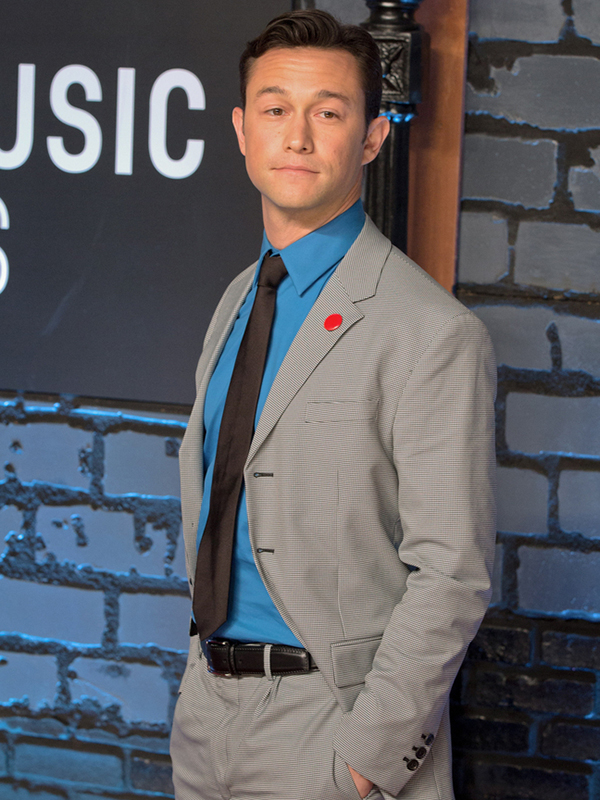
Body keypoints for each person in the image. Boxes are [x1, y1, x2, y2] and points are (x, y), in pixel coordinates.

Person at [171, 10, 496, 800]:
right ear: (242, 131)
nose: (298, 137)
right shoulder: (237, 301)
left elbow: (453, 572)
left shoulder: (433, 332)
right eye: (276, 109)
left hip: (331, 726)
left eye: (328, 113)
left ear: (373, 138)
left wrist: (365, 760)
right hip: (206, 713)